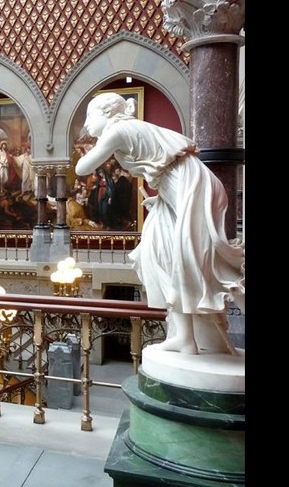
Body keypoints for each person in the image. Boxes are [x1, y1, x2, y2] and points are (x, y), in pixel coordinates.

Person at [75, 92, 244, 356]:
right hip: (173, 189)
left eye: (89, 116)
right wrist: (162, 200)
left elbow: (82, 168)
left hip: (190, 185)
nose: (86, 125)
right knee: (156, 250)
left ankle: (197, 332)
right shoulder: (127, 129)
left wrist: (85, 150)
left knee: (190, 258)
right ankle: (185, 337)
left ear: (107, 113)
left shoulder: (117, 130)